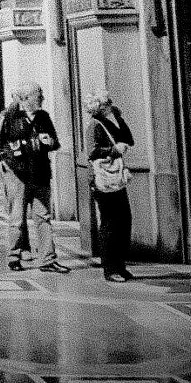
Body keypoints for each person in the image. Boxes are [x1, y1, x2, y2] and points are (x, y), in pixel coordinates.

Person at [0, 83, 68, 273]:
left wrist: (51, 142)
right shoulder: (8, 116)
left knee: (43, 217)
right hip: (18, 175)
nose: (42, 98)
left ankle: (47, 259)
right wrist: (4, 161)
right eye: (38, 95)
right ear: (25, 98)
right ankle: (14, 256)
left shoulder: (43, 117)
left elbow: (55, 142)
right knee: (17, 218)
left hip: (40, 173)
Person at [85, 90, 134, 282]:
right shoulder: (94, 126)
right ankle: (110, 267)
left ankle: (120, 265)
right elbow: (92, 151)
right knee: (110, 223)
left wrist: (119, 119)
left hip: (116, 179)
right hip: (102, 181)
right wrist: (113, 150)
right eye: (108, 103)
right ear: (101, 107)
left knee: (124, 220)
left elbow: (129, 139)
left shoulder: (112, 121)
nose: (112, 105)